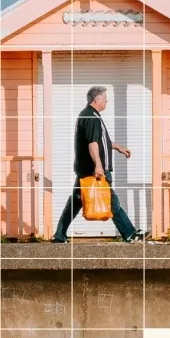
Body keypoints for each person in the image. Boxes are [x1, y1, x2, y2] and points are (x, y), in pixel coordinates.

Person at [52, 85, 141, 243]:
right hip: (93, 171)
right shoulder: (91, 117)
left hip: (86, 170)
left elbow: (100, 141)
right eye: (105, 98)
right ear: (97, 99)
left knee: (75, 202)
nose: (107, 100)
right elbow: (92, 143)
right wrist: (98, 166)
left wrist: (118, 147)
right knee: (111, 202)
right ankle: (130, 234)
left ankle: (59, 235)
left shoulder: (89, 115)